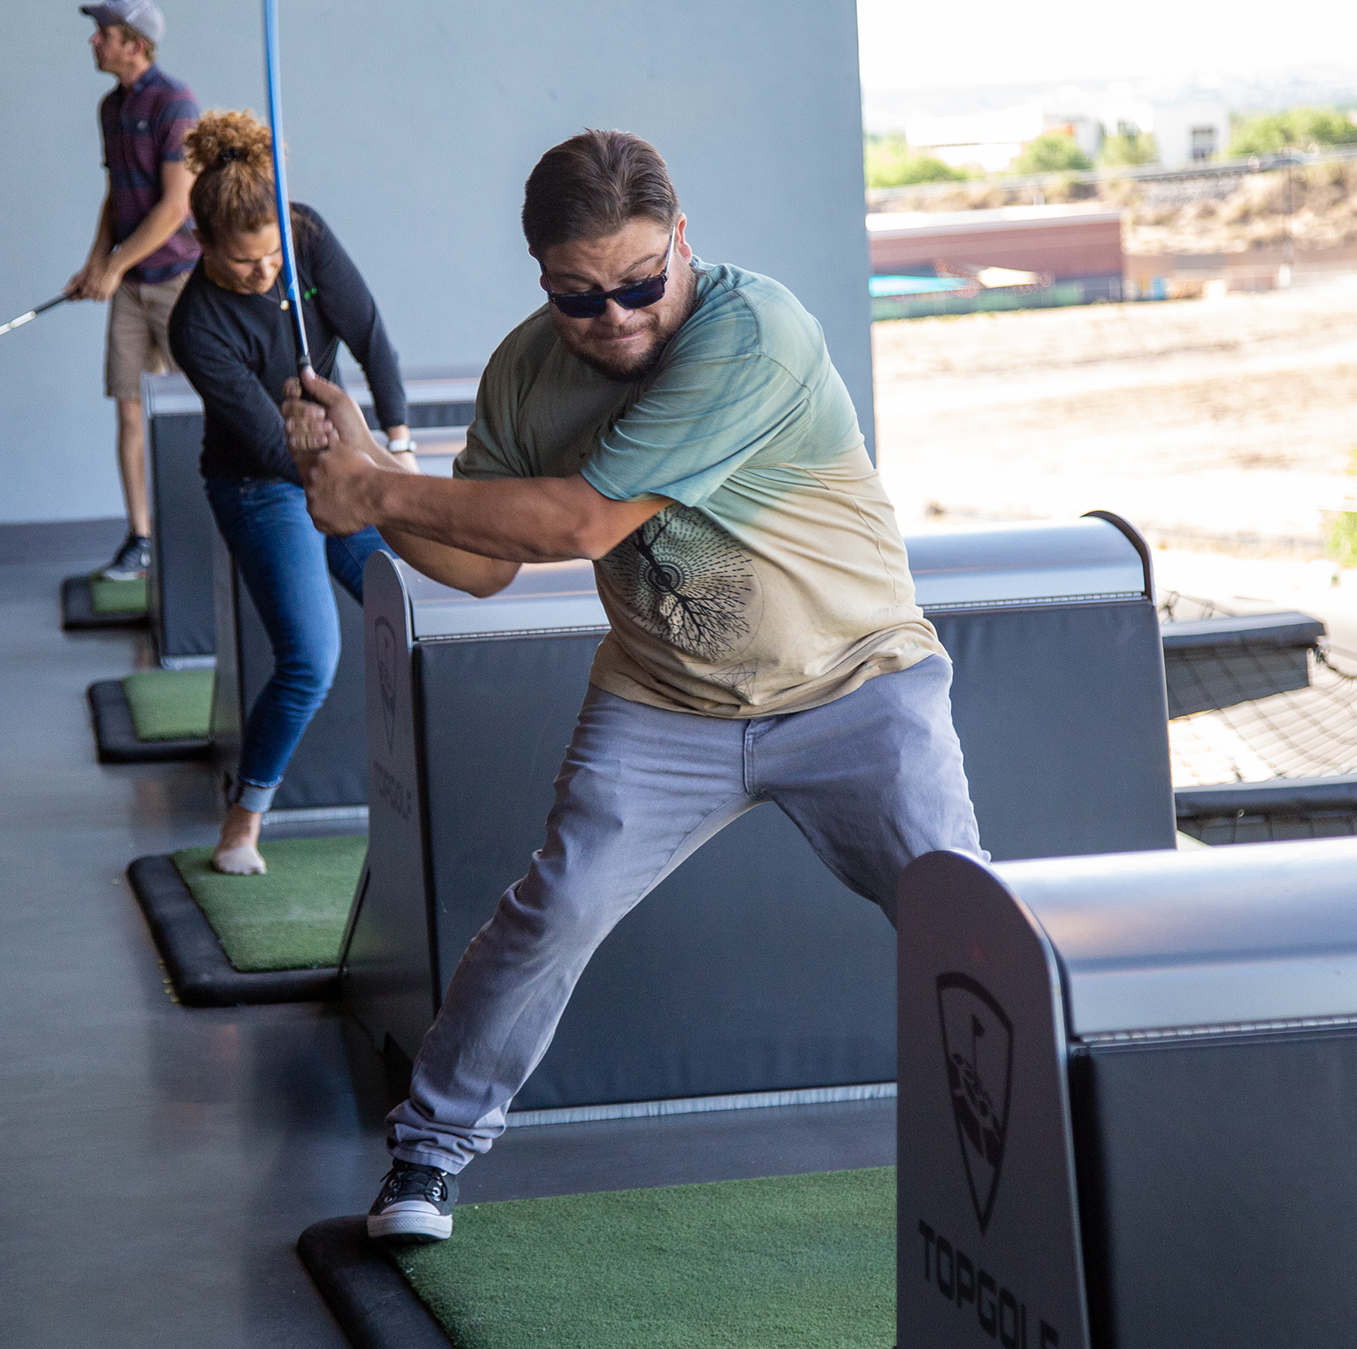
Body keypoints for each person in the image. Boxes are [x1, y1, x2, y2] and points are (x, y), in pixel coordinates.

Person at [284, 129, 980, 1242]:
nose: (614, 316)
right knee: (552, 910)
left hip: (857, 685)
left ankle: (1047, 1139)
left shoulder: (752, 337)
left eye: (639, 282)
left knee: (965, 916)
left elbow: (581, 520)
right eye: (578, 296)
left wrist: (375, 492)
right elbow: (483, 567)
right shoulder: (526, 368)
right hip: (666, 705)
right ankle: (426, 1158)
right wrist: (378, 479)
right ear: (542, 278)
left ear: (683, 241)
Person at [167, 110, 415, 874]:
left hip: (340, 454)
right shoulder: (195, 325)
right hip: (258, 485)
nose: (265, 273)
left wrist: (396, 445)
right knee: (311, 657)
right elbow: (271, 445)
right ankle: (243, 821)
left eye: (272, 255)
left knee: (407, 602)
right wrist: (362, 480)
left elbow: (369, 336)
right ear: (201, 243)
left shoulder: (303, 232)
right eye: (244, 262)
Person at [67, 0, 201, 582]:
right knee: (128, 411)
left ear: (135, 45)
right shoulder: (110, 108)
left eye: (105, 33)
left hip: (178, 281)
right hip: (129, 283)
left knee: (197, 412)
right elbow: (117, 197)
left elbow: (175, 208)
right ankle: (140, 539)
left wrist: (114, 265)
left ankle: (202, 534)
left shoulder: (176, 103)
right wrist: (94, 264)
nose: (94, 41)